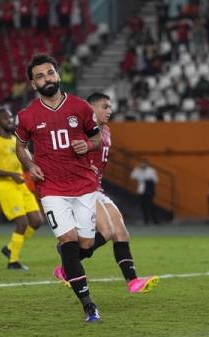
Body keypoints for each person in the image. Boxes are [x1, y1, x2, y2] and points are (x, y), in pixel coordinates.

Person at [15, 54, 102, 322]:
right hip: (52, 188)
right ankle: (88, 305)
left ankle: (67, 259)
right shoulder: (27, 115)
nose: (46, 79)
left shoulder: (81, 107)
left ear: (58, 75)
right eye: (40, 76)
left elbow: (97, 137)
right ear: (33, 84)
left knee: (85, 245)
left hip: (84, 185)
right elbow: (20, 147)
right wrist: (30, 165)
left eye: (50, 73)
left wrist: (87, 145)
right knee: (68, 241)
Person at [57, 92, 159, 293]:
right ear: (90, 108)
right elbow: (63, 156)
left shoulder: (106, 131)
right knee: (107, 231)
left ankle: (133, 281)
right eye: (104, 106)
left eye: (110, 107)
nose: (109, 111)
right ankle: (68, 263)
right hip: (82, 188)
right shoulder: (79, 130)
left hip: (97, 188)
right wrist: (82, 169)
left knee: (121, 232)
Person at [0, 108, 43, 271]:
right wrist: (11, 174)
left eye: (11, 118)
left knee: (37, 221)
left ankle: (10, 247)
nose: (10, 121)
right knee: (22, 223)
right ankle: (13, 261)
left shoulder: (16, 141)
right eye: (6, 119)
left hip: (21, 184)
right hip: (6, 186)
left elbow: (28, 157)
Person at [130, 160, 159, 224]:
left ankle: (155, 220)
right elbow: (132, 176)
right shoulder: (137, 170)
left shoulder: (151, 170)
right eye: (141, 164)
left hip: (149, 190)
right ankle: (146, 220)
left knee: (150, 205)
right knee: (143, 206)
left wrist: (147, 179)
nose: (142, 165)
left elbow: (155, 180)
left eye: (144, 164)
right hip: (141, 190)